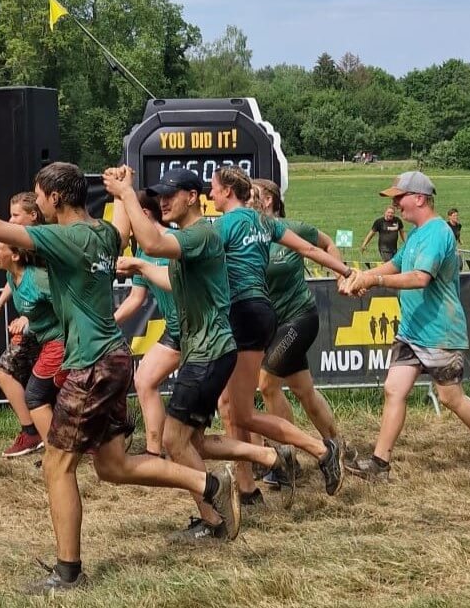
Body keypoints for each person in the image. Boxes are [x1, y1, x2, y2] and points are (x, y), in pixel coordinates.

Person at [0, 163, 241, 595]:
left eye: (38, 195)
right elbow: (121, 221)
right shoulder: (101, 235)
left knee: (56, 465)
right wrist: (124, 186)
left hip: (93, 364)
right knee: (113, 466)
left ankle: (68, 573)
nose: (36, 202)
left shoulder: (66, 238)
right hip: (115, 358)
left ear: (56, 199)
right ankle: (209, 482)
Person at [106, 167, 296, 541]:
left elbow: (156, 245)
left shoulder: (200, 234)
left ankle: (216, 512)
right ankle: (271, 458)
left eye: (170, 194)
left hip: (209, 351)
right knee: (193, 441)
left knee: (177, 440)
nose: (162, 201)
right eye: (158, 196)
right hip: (206, 350)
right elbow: (165, 272)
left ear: (193, 196)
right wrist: (141, 259)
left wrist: (127, 194)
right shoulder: (191, 236)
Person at [339, 171, 470, 482]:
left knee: (450, 398)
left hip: (439, 331)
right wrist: (359, 277)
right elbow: (395, 266)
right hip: (411, 330)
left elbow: (420, 277)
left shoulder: (437, 233)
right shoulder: (418, 234)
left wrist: (374, 280)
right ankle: (380, 465)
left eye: (399, 197)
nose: (395, 204)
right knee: (394, 390)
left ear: (419, 198)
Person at [211, 166, 353, 502]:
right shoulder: (263, 225)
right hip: (267, 319)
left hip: (287, 318)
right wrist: (348, 272)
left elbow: (315, 247)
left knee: (256, 394)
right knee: (301, 391)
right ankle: (330, 446)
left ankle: (302, 453)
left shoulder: (235, 225)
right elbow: (309, 252)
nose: (209, 194)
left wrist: (346, 273)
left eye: (213, 189)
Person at [249, 179, 351, 488]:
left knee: (267, 385)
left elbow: (327, 242)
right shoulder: (248, 236)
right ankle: (337, 446)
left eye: (251, 195)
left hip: (298, 318)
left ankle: (287, 458)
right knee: (304, 390)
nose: (245, 199)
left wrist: (341, 274)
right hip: (270, 325)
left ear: (268, 201)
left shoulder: (293, 229)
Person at [0, 193, 60, 458]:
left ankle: (55, 445)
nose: (10, 220)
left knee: (42, 392)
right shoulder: (15, 262)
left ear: (33, 215)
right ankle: (37, 435)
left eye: (15, 215)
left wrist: (28, 319)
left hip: (56, 334)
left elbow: (53, 291)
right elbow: (15, 279)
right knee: (15, 379)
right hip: (40, 331)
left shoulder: (46, 243)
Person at [112, 190, 179, 457]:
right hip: (176, 330)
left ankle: (262, 454)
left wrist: (141, 266)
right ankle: (154, 451)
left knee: (230, 405)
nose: (118, 228)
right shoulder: (142, 250)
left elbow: (178, 283)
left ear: (143, 215)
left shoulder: (172, 241)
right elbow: (136, 298)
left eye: (124, 217)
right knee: (143, 380)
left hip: (202, 329)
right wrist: (107, 322)